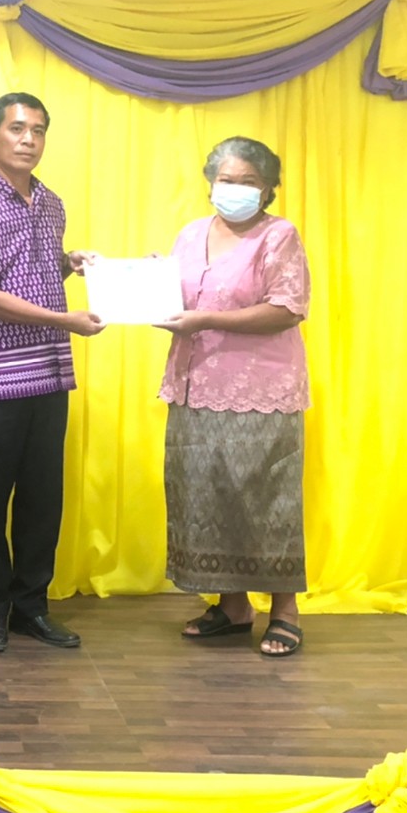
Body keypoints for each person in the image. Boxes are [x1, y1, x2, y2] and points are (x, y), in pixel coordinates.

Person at [0, 92, 104, 654]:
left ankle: (32, 606)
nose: (28, 139)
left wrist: (69, 263)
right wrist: (66, 320)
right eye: (16, 128)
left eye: (37, 130)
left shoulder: (51, 203)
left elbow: (31, 268)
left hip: (48, 371)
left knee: (43, 496)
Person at [154, 136, 311, 657]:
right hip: (194, 385)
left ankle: (284, 611)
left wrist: (205, 319)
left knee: (265, 498)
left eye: (249, 182)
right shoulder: (190, 234)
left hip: (261, 391)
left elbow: (287, 308)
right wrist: (138, 283)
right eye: (227, 180)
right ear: (210, 183)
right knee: (208, 494)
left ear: (268, 190)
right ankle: (233, 606)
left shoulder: (278, 235)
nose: (236, 189)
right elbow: (173, 297)